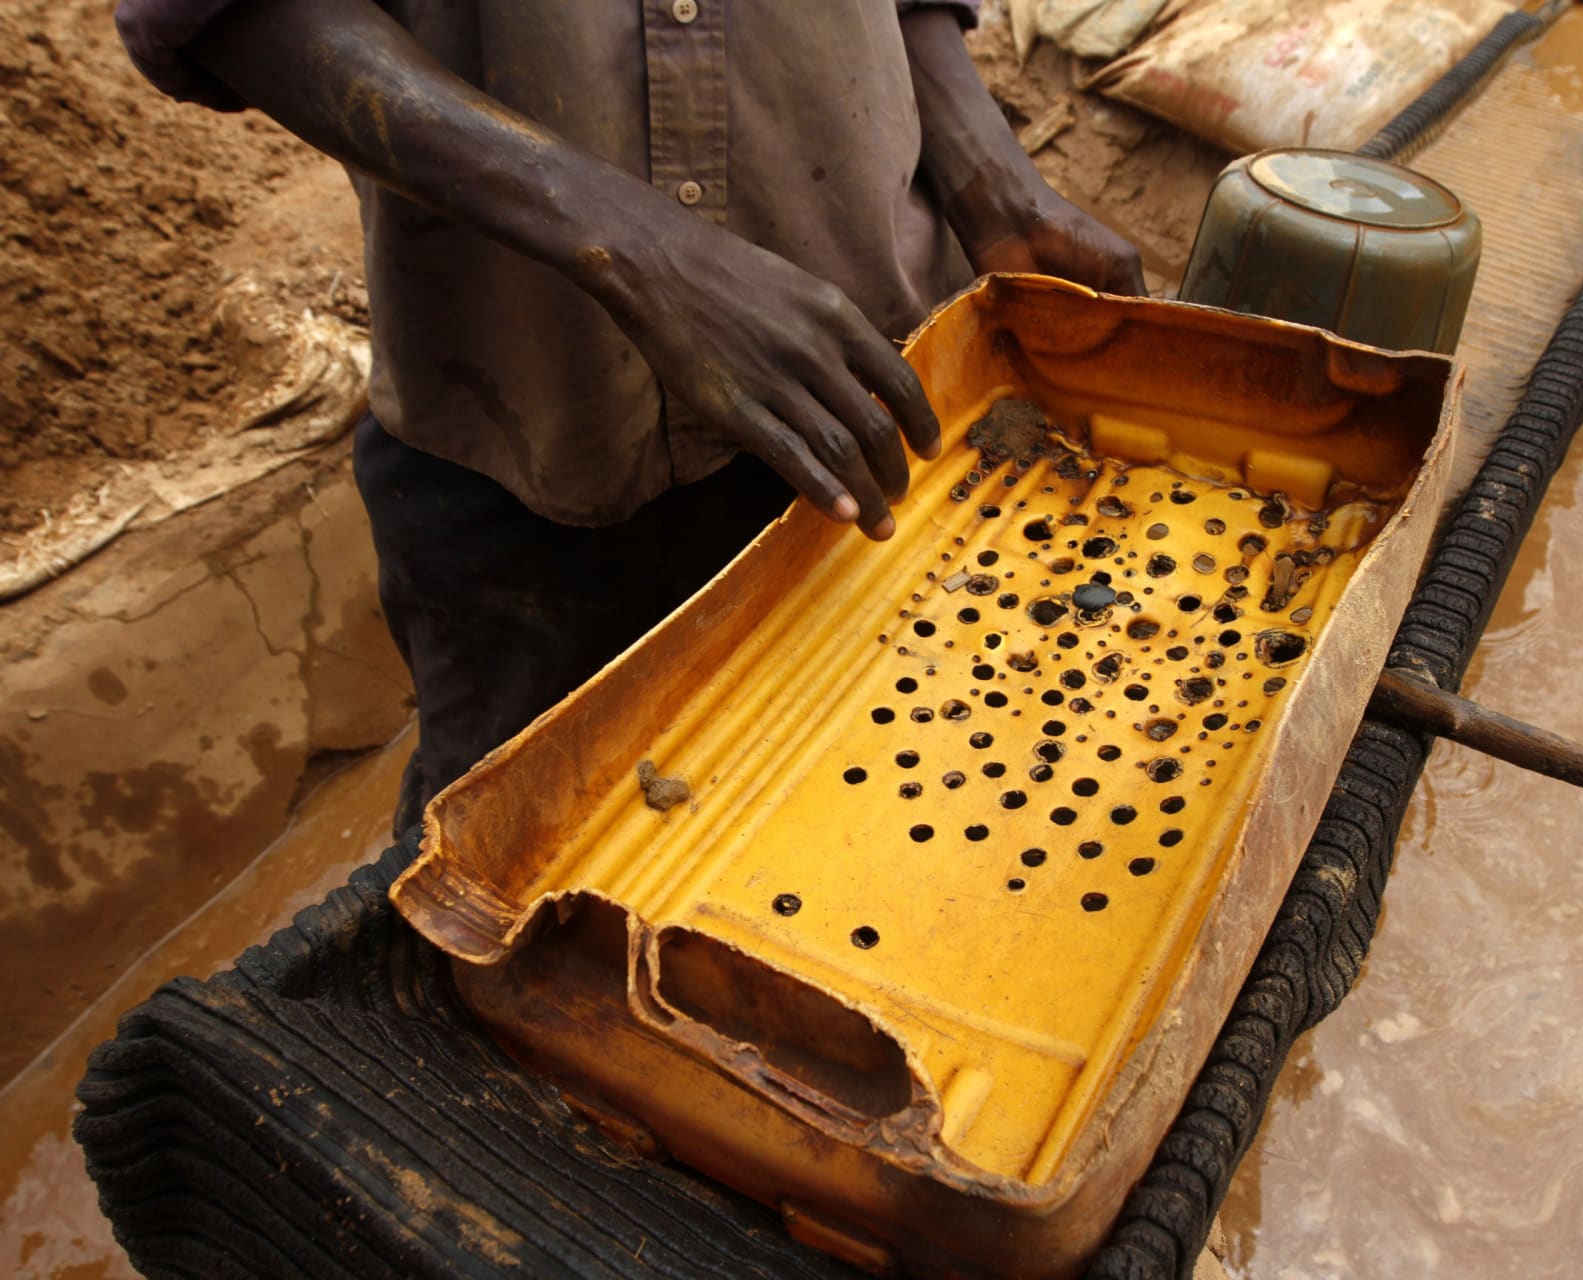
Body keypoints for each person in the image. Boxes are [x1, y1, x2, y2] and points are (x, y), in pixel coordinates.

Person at [116, 0, 1143, 835]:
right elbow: (230, 14)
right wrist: (638, 246)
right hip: (537, 438)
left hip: (867, 386)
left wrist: (986, 169)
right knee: (518, 908)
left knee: (859, 824)